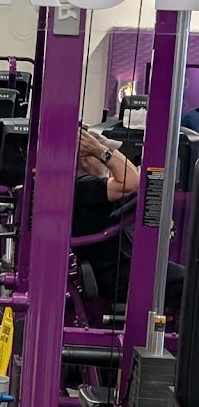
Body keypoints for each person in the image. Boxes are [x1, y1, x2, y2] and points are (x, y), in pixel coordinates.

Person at [73, 126, 184, 312]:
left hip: (129, 269)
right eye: (105, 156)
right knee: (192, 283)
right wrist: (99, 150)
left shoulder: (91, 187)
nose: (108, 163)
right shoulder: (83, 186)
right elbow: (132, 182)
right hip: (122, 277)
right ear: (86, 158)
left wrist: (100, 150)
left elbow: (134, 179)